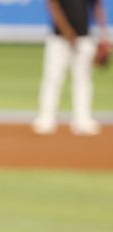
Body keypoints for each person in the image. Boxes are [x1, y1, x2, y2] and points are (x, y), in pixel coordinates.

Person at [32, 0, 109, 135]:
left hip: (84, 38)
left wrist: (104, 34)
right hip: (59, 39)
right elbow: (52, 4)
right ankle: (46, 118)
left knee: (83, 79)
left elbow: (97, 5)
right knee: (53, 78)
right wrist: (66, 30)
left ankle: (82, 119)